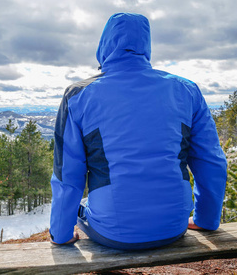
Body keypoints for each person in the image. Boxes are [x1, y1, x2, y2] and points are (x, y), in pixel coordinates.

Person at [49, 13, 227, 250]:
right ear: (146, 45)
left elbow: (68, 175)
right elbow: (211, 161)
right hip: (174, 224)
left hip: (114, 230)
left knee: (85, 205)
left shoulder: (79, 95)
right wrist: (207, 220)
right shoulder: (187, 90)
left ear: (104, 45)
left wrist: (61, 235)